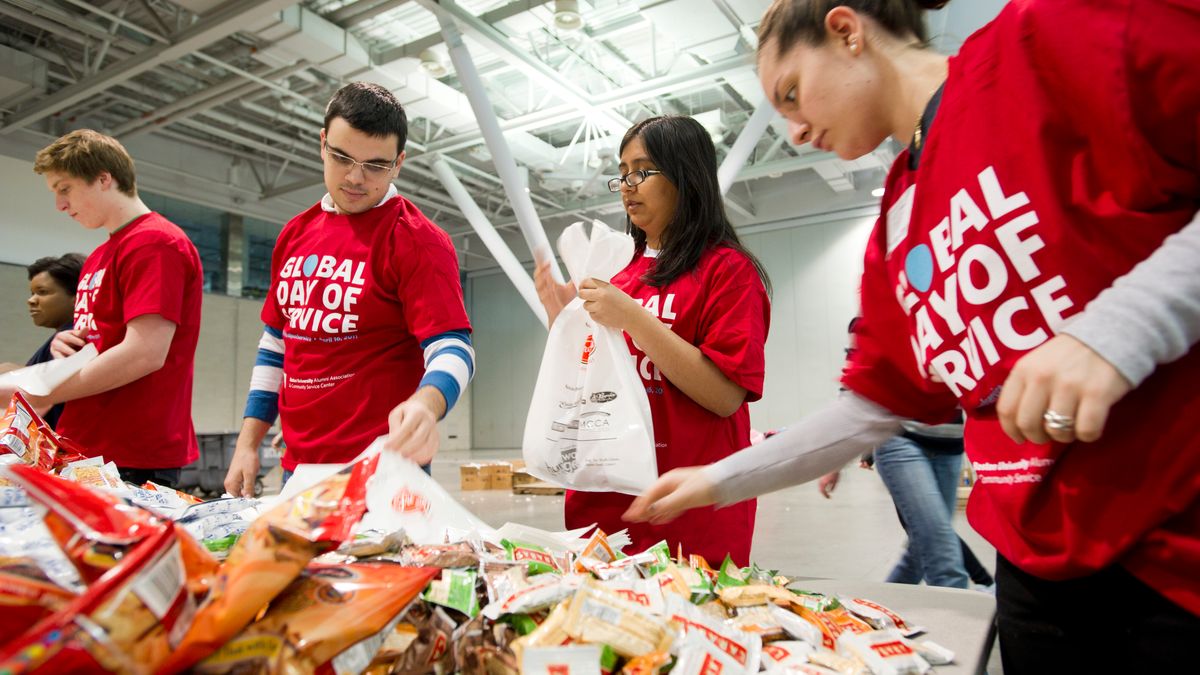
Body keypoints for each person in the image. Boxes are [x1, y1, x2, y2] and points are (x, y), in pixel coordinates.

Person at [625, 0, 1200, 670]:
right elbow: (872, 406)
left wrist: (1118, 331)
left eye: (791, 93)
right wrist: (719, 478)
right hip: (1034, 568)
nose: (797, 129)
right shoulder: (900, 219)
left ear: (846, 33)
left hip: (1173, 548)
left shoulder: (1044, 42)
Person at [535, 115, 771, 565]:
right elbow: (594, 377)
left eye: (642, 171)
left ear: (686, 173)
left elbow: (724, 396)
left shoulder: (727, 271)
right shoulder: (617, 271)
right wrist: (563, 322)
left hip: (689, 509)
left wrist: (635, 318)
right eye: (622, 173)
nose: (627, 185)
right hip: (607, 504)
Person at [223, 82, 473, 496]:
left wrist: (427, 404)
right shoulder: (294, 234)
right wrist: (248, 444)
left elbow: (454, 346)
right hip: (297, 471)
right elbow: (275, 345)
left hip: (384, 470)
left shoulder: (417, 240)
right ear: (323, 144)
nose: (356, 178)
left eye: (376, 165)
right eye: (342, 157)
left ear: (399, 164)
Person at [15, 130, 204, 487]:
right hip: (83, 444)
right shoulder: (100, 256)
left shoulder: (156, 243)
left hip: (132, 453)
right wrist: (67, 345)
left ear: (103, 179)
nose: (59, 204)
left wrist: (42, 391)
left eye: (65, 188)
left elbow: (145, 353)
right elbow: (108, 340)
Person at [21, 253, 87, 429]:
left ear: (77, 297)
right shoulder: (57, 340)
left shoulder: (71, 341)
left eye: (42, 292)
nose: (31, 300)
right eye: (32, 293)